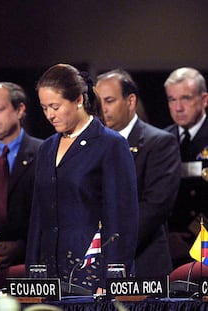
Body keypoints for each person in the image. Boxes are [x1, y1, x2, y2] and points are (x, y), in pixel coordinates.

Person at [26, 64, 138, 293]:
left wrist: (113, 279)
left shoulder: (110, 144)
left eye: (55, 107)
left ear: (78, 100)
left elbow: (122, 218)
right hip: (50, 274)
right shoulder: (46, 148)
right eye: (44, 108)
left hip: (92, 273)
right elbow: (38, 215)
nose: (49, 115)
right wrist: (33, 272)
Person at [95, 69, 181, 278]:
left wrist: (110, 243)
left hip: (142, 261)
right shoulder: (91, 144)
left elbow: (155, 205)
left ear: (130, 101)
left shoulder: (159, 143)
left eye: (109, 100)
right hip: (95, 263)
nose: (102, 109)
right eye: (98, 102)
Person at [0, 82, 43, 288]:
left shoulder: (44, 153)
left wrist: (21, 247)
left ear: (20, 110)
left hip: (30, 262)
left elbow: (49, 216)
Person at [164, 67, 208, 268]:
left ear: (204, 99)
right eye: (172, 100)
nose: (178, 107)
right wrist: (168, 237)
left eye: (186, 98)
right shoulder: (161, 140)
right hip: (168, 246)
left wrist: (193, 240)